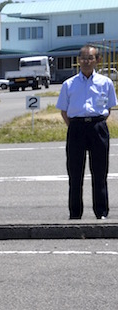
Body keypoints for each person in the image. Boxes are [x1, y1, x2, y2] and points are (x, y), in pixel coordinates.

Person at [56, 44, 117, 220]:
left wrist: (95, 123)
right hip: (76, 128)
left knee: (100, 172)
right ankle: (75, 214)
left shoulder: (105, 83)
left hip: (98, 127)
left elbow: (109, 108)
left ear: (97, 60)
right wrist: (75, 126)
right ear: (78, 61)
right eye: (83, 58)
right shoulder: (69, 84)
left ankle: (102, 213)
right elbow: (64, 111)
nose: (86, 62)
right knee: (75, 173)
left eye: (90, 58)